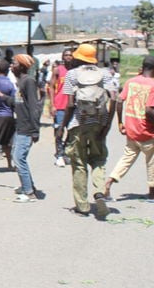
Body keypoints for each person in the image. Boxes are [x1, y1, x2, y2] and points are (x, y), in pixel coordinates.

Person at [57, 44, 117, 218]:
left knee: (79, 164)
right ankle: (99, 192)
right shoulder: (105, 73)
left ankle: (82, 206)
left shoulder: (72, 74)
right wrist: (107, 123)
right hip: (99, 123)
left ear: (78, 57)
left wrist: (62, 127)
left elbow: (69, 104)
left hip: (78, 124)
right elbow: (114, 99)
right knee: (99, 159)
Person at [103, 56, 154, 200]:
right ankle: (152, 193)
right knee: (152, 161)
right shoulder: (153, 85)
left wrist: (120, 122)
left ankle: (109, 182)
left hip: (131, 129)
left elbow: (119, 101)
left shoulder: (131, 82)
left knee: (126, 159)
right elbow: (149, 111)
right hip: (147, 132)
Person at [0, 55, 42, 203]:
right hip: (20, 126)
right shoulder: (21, 82)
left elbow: (34, 107)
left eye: (14, 63)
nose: (11, 66)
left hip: (27, 128)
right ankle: (28, 186)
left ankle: (29, 193)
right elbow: (17, 102)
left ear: (22, 66)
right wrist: (2, 96)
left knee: (18, 159)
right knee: (16, 156)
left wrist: (35, 130)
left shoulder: (29, 81)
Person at [48, 48, 74, 167]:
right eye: (66, 55)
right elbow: (51, 87)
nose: (68, 57)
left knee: (72, 130)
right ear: (63, 57)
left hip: (72, 106)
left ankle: (64, 151)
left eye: (70, 55)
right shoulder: (58, 70)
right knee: (59, 130)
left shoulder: (75, 71)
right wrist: (52, 104)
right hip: (59, 105)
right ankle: (59, 154)